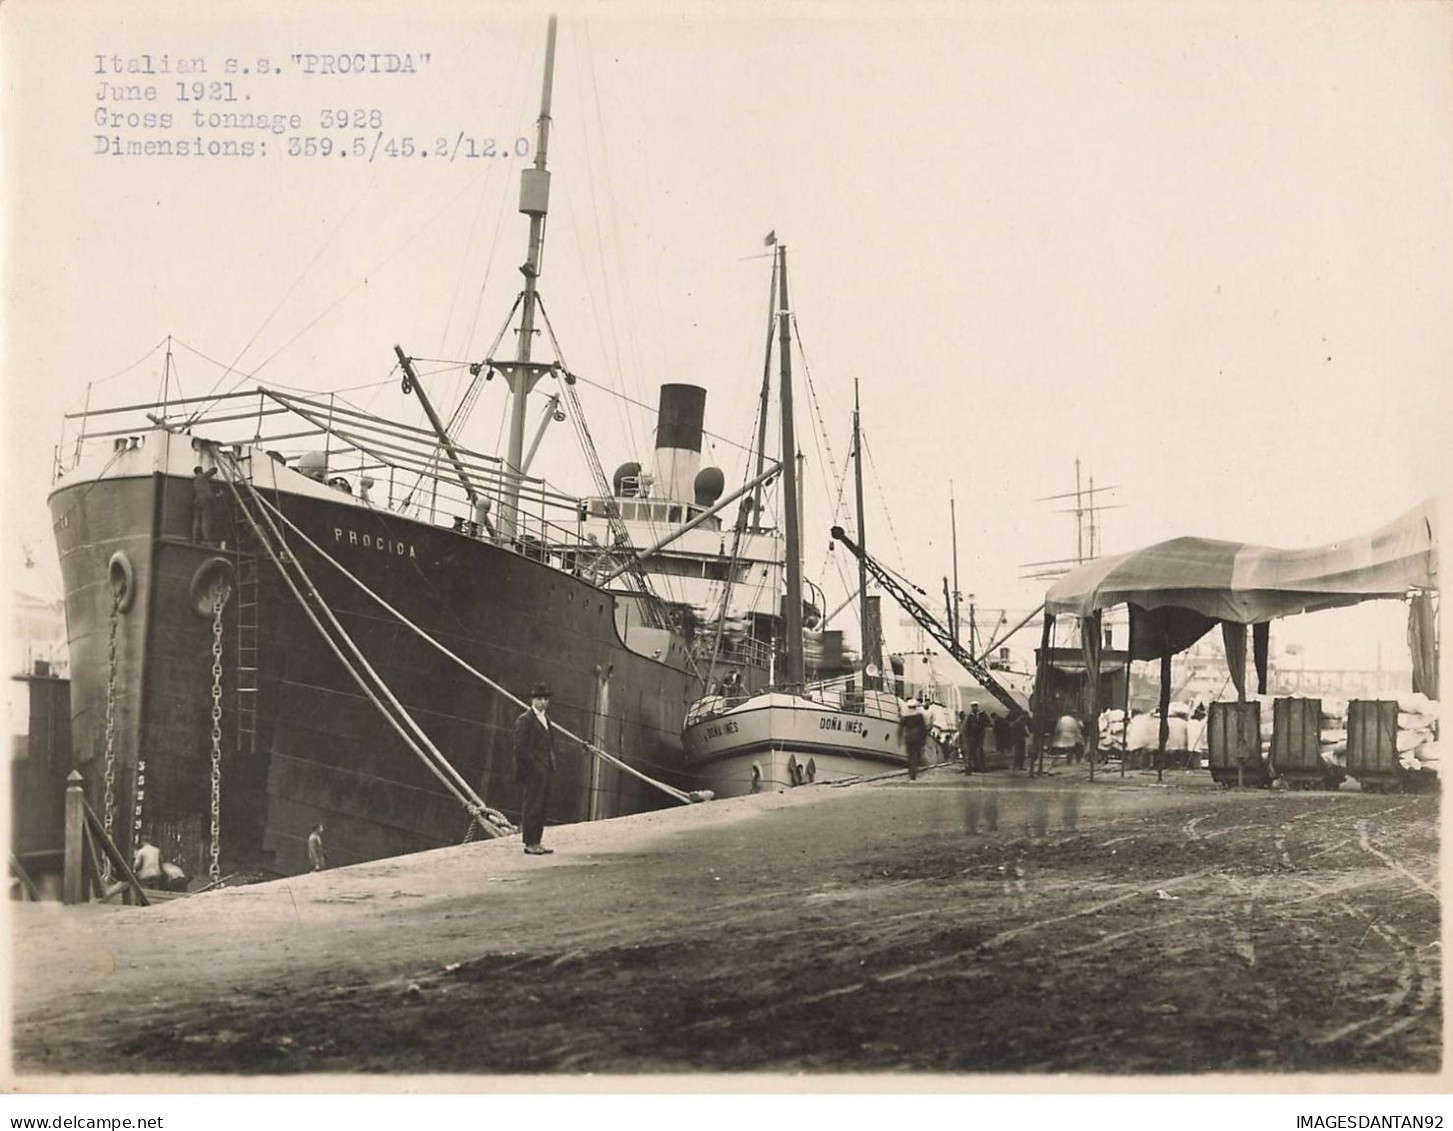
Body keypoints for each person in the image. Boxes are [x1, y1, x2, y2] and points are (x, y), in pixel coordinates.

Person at [513, 682, 557, 854]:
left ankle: (537, 841)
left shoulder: (546, 720)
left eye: (546, 699)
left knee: (542, 805)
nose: (543, 702)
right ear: (532, 700)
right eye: (539, 699)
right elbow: (519, 748)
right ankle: (530, 843)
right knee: (532, 805)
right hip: (534, 771)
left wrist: (549, 764)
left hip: (546, 769)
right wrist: (533, 767)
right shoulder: (525, 719)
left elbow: (550, 743)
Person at [191, 463, 220, 544]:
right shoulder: (203, 477)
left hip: (197, 501)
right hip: (204, 501)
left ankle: (195, 538)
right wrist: (214, 467)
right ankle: (206, 539)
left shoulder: (195, 480)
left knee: (196, 521)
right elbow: (213, 471)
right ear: (200, 471)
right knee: (205, 521)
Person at [899, 699, 927, 781]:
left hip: (909, 738)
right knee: (917, 754)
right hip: (917, 737)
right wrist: (923, 739)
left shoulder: (905, 716)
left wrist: (900, 738)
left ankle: (912, 772)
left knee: (910, 756)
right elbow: (923, 728)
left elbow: (900, 728)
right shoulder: (919, 716)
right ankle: (915, 769)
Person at [965, 703, 988, 772]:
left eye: (975, 707)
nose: (974, 708)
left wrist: (980, 725)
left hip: (980, 735)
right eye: (972, 707)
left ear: (977, 707)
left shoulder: (982, 714)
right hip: (972, 736)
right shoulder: (970, 716)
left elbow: (988, 723)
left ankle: (982, 767)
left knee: (980, 750)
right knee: (971, 751)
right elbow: (967, 726)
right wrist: (968, 735)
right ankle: (972, 767)